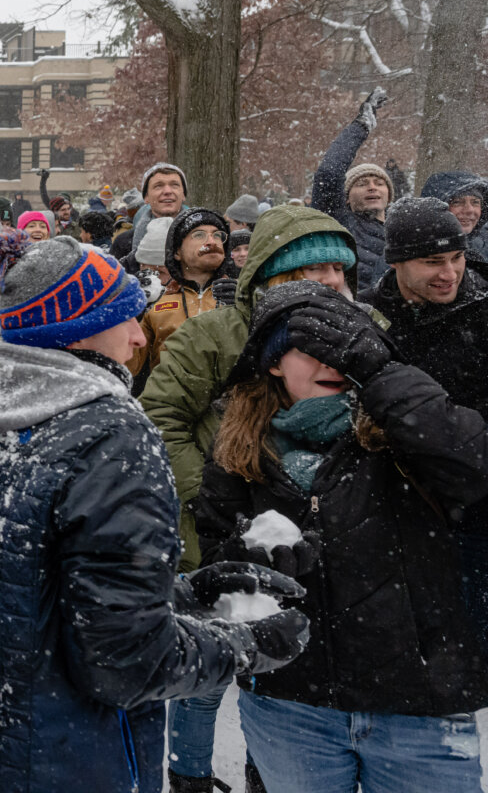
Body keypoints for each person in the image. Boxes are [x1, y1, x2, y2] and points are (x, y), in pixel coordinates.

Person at [0, 232, 309, 793]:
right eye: (123, 318)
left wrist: (183, 593)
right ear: (72, 327)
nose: (136, 338)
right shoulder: (111, 435)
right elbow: (128, 665)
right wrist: (245, 646)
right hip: (73, 760)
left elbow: (33, 596)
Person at [193, 281, 488, 793]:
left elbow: (471, 463)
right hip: (290, 705)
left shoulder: (402, 426)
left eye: (343, 348)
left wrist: (383, 372)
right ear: (272, 363)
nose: (331, 362)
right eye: (309, 349)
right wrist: (245, 564)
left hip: (417, 705)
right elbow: (214, 566)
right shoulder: (238, 447)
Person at [140, 207, 361, 790]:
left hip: (325, 547)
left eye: (339, 268)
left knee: (291, 668)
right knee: (208, 674)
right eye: (311, 269)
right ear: (271, 277)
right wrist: (218, 499)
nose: (331, 280)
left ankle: (269, 773)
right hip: (221, 537)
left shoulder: (369, 330)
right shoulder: (216, 332)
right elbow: (161, 417)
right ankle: (189, 776)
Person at [358, 196, 488, 631]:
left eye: (457, 258)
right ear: (397, 262)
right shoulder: (366, 316)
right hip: (392, 508)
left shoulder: (483, 310)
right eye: (433, 261)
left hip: (475, 510)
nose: (449, 273)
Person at [128, 209, 234, 382]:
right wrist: (132, 312)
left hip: (232, 406)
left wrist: (247, 310)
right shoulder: (158, 303)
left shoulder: (241, 296)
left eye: (217, 235)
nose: (211, 241)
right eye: (199, 235)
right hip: (169, 404)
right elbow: (126, 365)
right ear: (177, 252)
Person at [311, 89, 392, 290]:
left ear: (389, 195)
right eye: (362, 184)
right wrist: (361, 127)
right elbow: (329, 175)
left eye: (379, 183)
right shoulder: (339, 224)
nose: (372, 187)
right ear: (346, 198)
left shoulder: (405, 229)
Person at [421, 170, 488, 262]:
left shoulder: (484, 243)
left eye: (475, 202)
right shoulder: (415, 248)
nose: (470, 210)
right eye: (457, 202)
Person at [129, 162, 189, 249]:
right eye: (158, 186)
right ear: (146, 197)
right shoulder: (124, 243)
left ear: (183, 195)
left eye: (174, 185)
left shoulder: (205, 237)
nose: (167, 191)